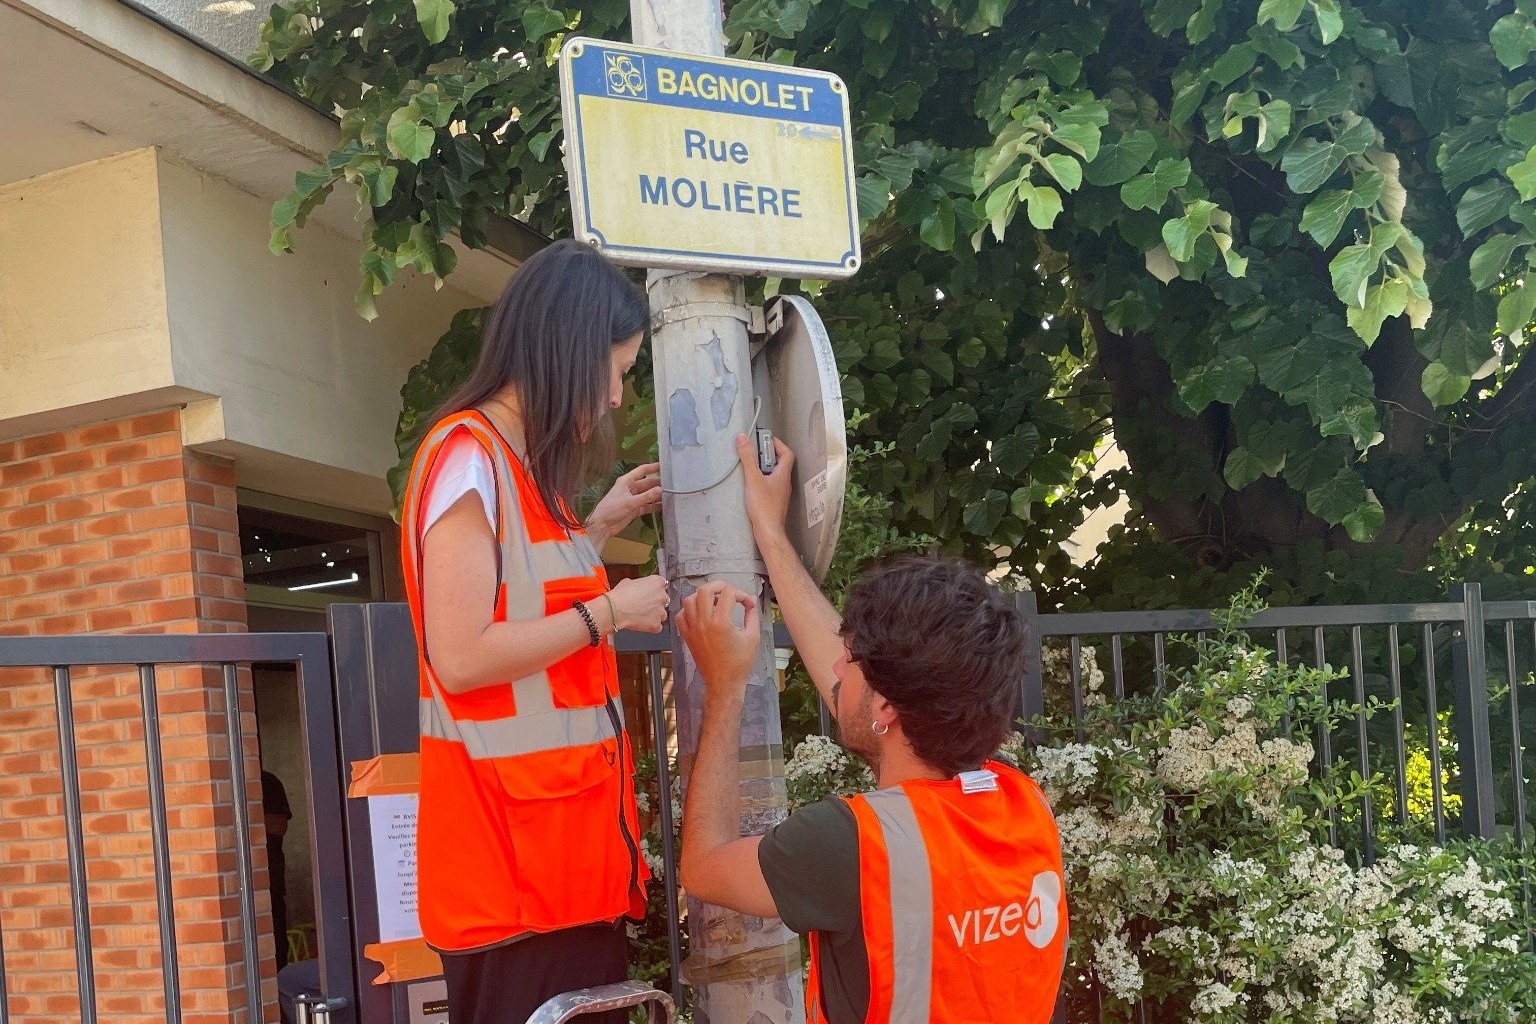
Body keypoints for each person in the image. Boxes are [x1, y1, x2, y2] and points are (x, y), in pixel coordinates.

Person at [675, 435, 1068, 1024]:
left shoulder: (850, 843)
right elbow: (865, 702)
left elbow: (703, 867)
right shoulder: (1020, 805)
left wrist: (726, 686)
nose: (836, 668)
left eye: (849, 660)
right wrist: (772, 536)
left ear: (886, 707)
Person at [399, 239, 670, 1024]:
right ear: (571, 350)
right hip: (513, 879)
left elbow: (519, 604)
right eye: (618, 370)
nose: (619, 397)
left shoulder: (513, 467)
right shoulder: (468, 458)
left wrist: (598, 523)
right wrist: (611, 612)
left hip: (554, 868)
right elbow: (461, 656)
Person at [261, 769, 293, 972]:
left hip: (270, 887)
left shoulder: (267, 781)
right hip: (234, 890)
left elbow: (280, 825)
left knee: (277, 956)